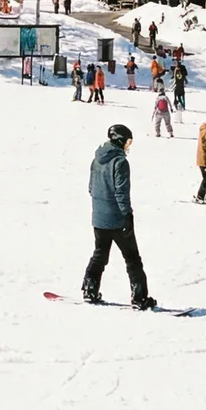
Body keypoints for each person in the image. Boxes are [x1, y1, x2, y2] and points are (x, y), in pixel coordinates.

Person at [82, 124, 157, 310]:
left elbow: (91, 188)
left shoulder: (97, 159)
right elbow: (121, 192)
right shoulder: (120, 162)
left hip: (99, 218)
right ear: (120, 140)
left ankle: (90, 289)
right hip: (117, 219)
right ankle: (139, 297)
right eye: (127, 142)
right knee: (132, 258)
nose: (128, 146)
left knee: (100, 254)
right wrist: (127, 215)